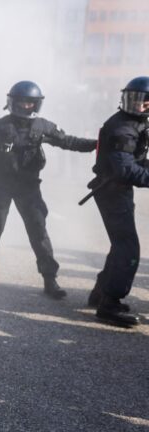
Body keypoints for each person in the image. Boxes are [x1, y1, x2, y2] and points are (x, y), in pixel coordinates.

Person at [0, 81, 96, 298]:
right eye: (21, 102)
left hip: (28, 187)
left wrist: (98, 144)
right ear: (12, 102)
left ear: (36, 104)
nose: (25, 106)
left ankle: (50, 280)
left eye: (30, 103)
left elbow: (68, 142)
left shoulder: (43, 126)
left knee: (39, 231)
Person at [84, 77, 149, 327]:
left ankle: (100, 293)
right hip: (112, 190)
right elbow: (125, 169)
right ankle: (110, 304)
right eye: (135, 100)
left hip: (114, 189)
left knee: (119, 244)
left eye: (144, 102)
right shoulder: (123, 127)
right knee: (128, 248)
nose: (138, 105)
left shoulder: (133, 123)